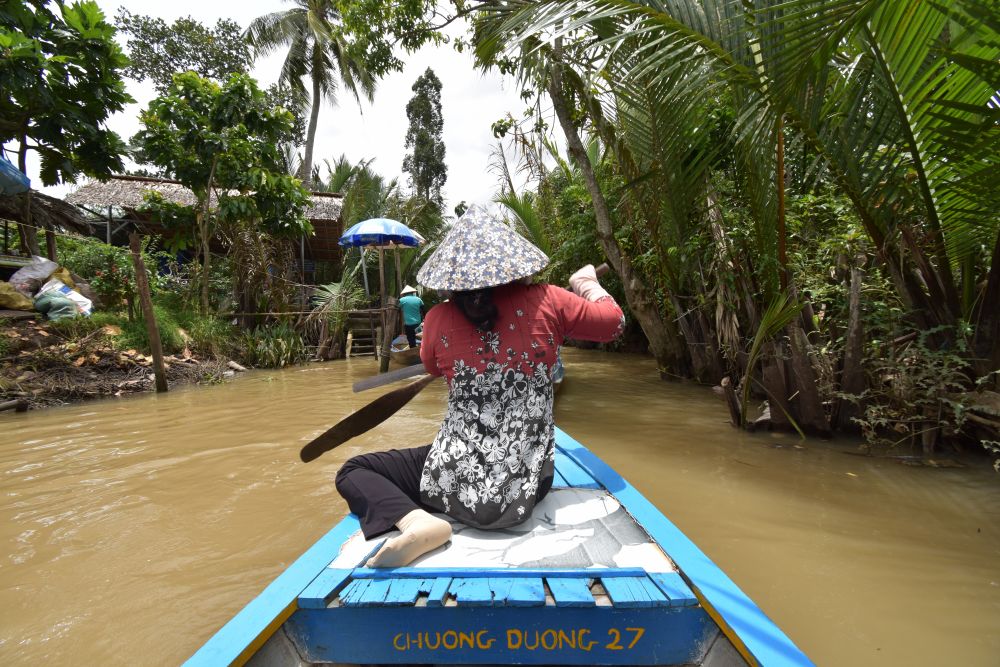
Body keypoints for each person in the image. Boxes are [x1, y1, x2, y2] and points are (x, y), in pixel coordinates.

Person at [335, 205, 624, 568]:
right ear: (513, 262)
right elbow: (613, 324)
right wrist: (586, 284)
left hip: (451, 484)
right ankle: (428, 518)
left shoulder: (438, 317)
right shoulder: (550, 299)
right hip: (529, 487)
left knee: (353, 470)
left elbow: (431, 366)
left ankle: (417, 521)